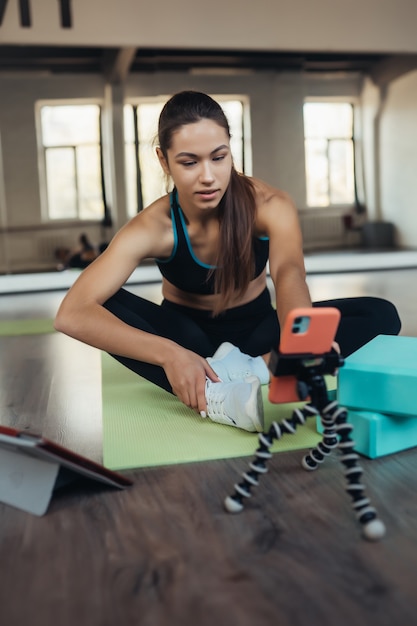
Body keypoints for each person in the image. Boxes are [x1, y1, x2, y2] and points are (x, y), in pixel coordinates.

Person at [54, 90, 401, 433]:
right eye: (189, 162)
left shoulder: (269, 205)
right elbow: (71, 313)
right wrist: (168, 354)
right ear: (164, 160)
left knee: (381, 314)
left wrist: (302, 342)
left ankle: (251, 370)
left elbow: (289, 272)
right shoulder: (153, 225)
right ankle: (214, 389)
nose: (208, 176)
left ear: (231, 150)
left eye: (218, 157)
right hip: (189, 340)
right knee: (104, 301)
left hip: (261, 335)